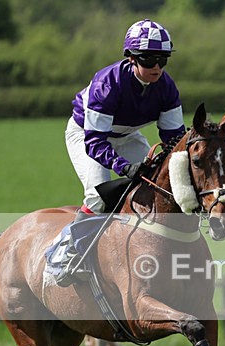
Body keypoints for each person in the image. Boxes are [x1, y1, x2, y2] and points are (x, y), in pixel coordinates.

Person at [65, 19, 187, 223]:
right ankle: (68, 249)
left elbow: (174, 138)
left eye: (163, 59)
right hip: (87, 136)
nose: (156, 67)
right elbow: (95, 142)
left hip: (127, 137)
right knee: (99, 197)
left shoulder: (166, 87)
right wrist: (122, 166)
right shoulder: (107, 84)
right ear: (131, 58)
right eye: (148, 59)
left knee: (158, 184)